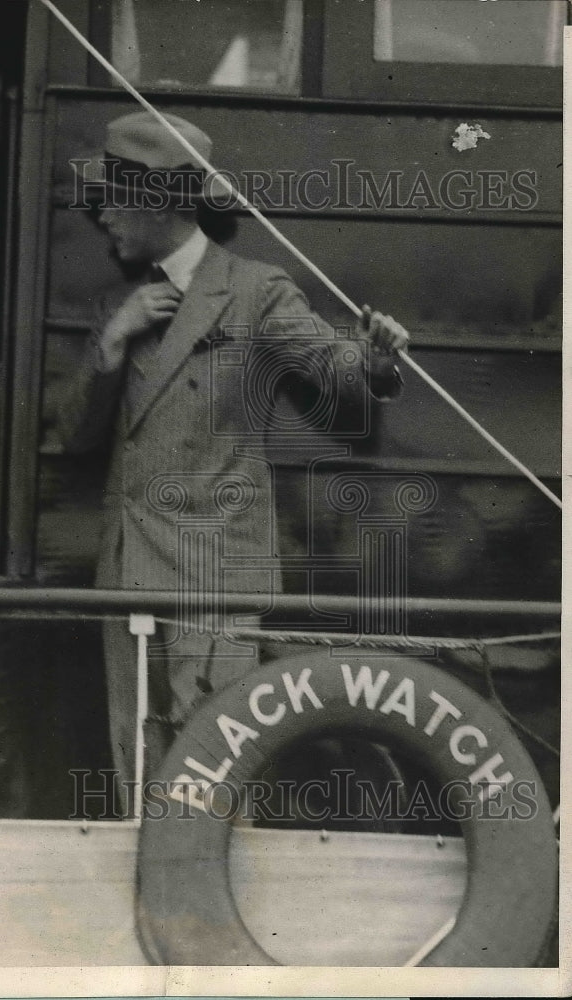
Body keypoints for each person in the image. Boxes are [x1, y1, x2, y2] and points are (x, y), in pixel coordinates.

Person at [59, 111, 410, 810]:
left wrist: (371, 364)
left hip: (212, 576)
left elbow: (329, 365)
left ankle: (210, 918)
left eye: (114, 198)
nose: (101, 215)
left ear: (158, 202)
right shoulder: (119, 303)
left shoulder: (253, 289)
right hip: (127, 572)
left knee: (215, 771)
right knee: (136, 765)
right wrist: (110, 344)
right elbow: (73, 436)